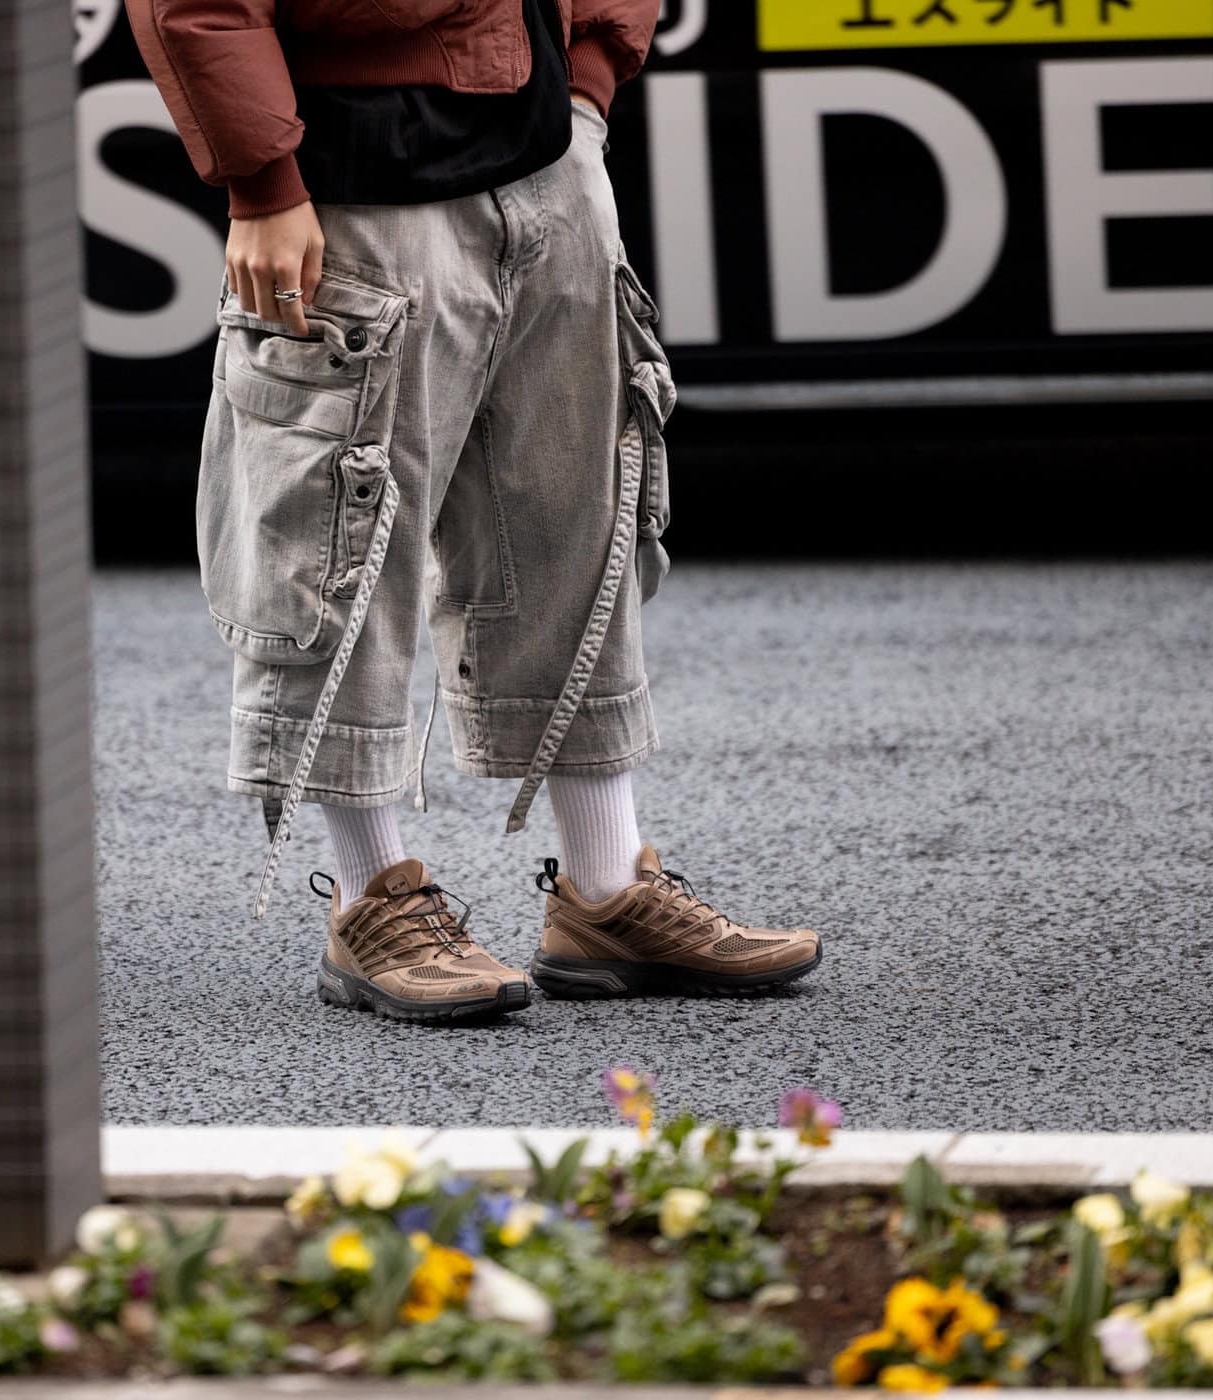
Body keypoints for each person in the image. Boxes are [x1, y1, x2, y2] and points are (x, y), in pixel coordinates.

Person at [126, 0, 824, 1023]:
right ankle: (371, 897)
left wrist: (589, 79)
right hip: (353, 173)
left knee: (571, 522)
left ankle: (607, 884)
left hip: (546, 155)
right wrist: (263, 182)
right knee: (339, 542)